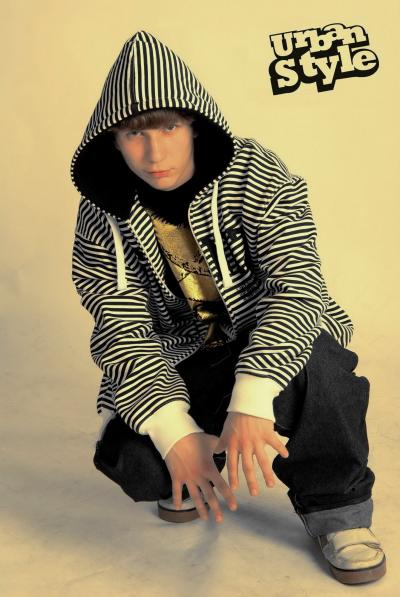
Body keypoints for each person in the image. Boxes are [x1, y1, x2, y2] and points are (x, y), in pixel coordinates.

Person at [70, 30, 386, 584]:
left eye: (169, 127)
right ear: (113, 139)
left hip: (269, 332)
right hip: (184, 356)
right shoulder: (102, 210)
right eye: (135, 133)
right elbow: (120, 328)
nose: (155, 152)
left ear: (194, 123)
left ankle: (336, 507)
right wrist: (176, 432)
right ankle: (206, 454)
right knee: (136, 460)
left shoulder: (254, 170)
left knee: (322, 371)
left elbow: (298, 284)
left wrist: (253, 397)